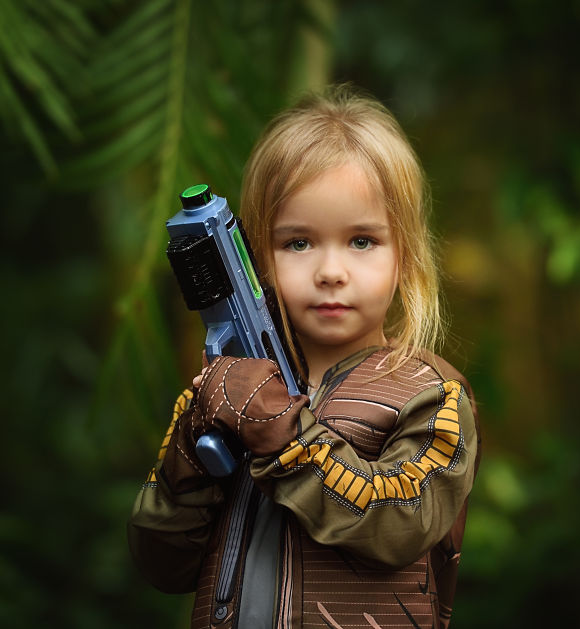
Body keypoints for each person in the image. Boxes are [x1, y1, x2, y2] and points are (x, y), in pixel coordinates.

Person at [128, 85, 480, 629]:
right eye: (299, 242)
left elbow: (401, 520)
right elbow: (160, 561)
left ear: (405, 256)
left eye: (362, 241)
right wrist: (194, 449)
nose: (330, 271)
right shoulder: (229, 388)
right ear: (259, 257)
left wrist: (286, 439)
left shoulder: (430, 393)